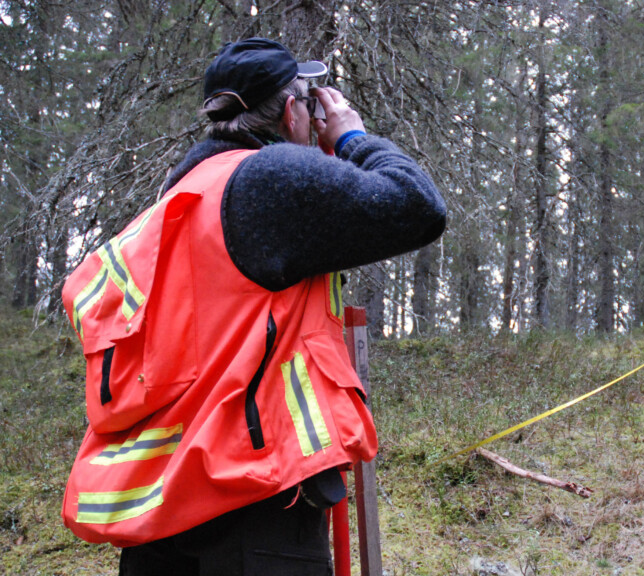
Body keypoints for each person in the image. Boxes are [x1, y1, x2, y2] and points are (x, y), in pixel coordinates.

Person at [60, 38, 446, 575]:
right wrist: (351, 136)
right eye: (309, 105)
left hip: (163, 506)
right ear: (291, 110)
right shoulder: (269, 179)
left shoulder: (177, 201)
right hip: (255, 500)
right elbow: (416, 206)